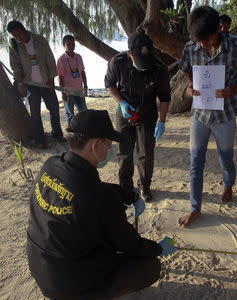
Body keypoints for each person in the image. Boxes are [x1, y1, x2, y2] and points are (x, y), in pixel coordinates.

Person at [26, 109, 171, 299]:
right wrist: (158, 248)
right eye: (109, 144)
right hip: (70, 286)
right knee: (151, 266)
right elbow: (130, 244)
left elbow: (91, 188)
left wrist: (128, 195)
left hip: (41, 266)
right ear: (95, 145)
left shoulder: (51, 165)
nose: (111, 150)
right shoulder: (101, 199)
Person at [177, 6, 237, 227]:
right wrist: (190, 84)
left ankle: (228, 184)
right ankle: (195, 208)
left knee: (226, 157)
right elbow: (185, 68)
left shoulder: (235, 45)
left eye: (207, 39)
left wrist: (235, 88)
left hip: (226, 114)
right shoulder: (191, 47)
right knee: (195, 162)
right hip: (200, 115)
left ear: (219, 29)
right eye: (199, 40)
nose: (203, 44)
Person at [104, 31, 171, 202]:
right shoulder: (117, 63)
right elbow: (109, 84)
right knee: (124, 151)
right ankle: (125, 186)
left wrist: (161, 122)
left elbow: (164, 97)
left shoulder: (159, 68)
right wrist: (121, 103)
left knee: (146, 152)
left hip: (147, 112)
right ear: (129, 54)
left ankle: (145, 186)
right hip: (124, 110)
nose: (144, 65)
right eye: (140, 62)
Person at [7, 20, 64, 148]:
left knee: (54, 109)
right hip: (30, 84)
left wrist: (51, 80)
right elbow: (15, 67)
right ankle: (40, 140)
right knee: (35, 113)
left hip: (45, 82)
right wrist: (21, 83)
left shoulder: (39, 40)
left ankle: (57, 134)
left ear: (23, 29)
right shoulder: (15, 46)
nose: (18, 38)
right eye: (15, 36)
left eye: (19, 34)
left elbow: (50, 59)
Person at [57, 35, 88, 124]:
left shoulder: (79, 57)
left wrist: (85, 86)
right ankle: (72, 135)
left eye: (73, 43)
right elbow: (60, 77)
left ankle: (85, 132)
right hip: (68, 91)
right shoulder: (61, 59)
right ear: (64, 45)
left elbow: (82, 72)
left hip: (79, 89)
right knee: (70, 114)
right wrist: (63, 93)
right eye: (68, 44)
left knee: (84, 112)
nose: (71, 46)